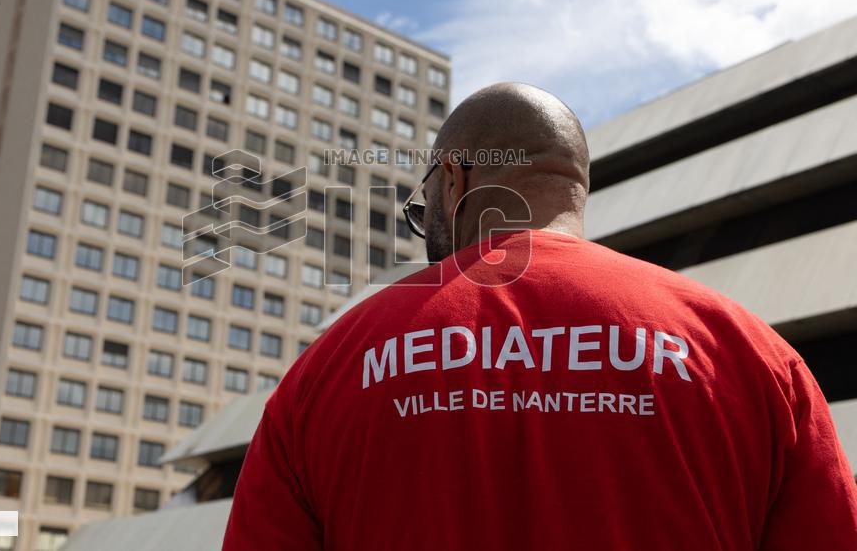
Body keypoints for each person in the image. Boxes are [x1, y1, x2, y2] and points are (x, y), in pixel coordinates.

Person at [223, 82, 857, 549]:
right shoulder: (750, 356)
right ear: (575, 187)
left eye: (424, 209)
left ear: (454, 180)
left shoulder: (326, 371)